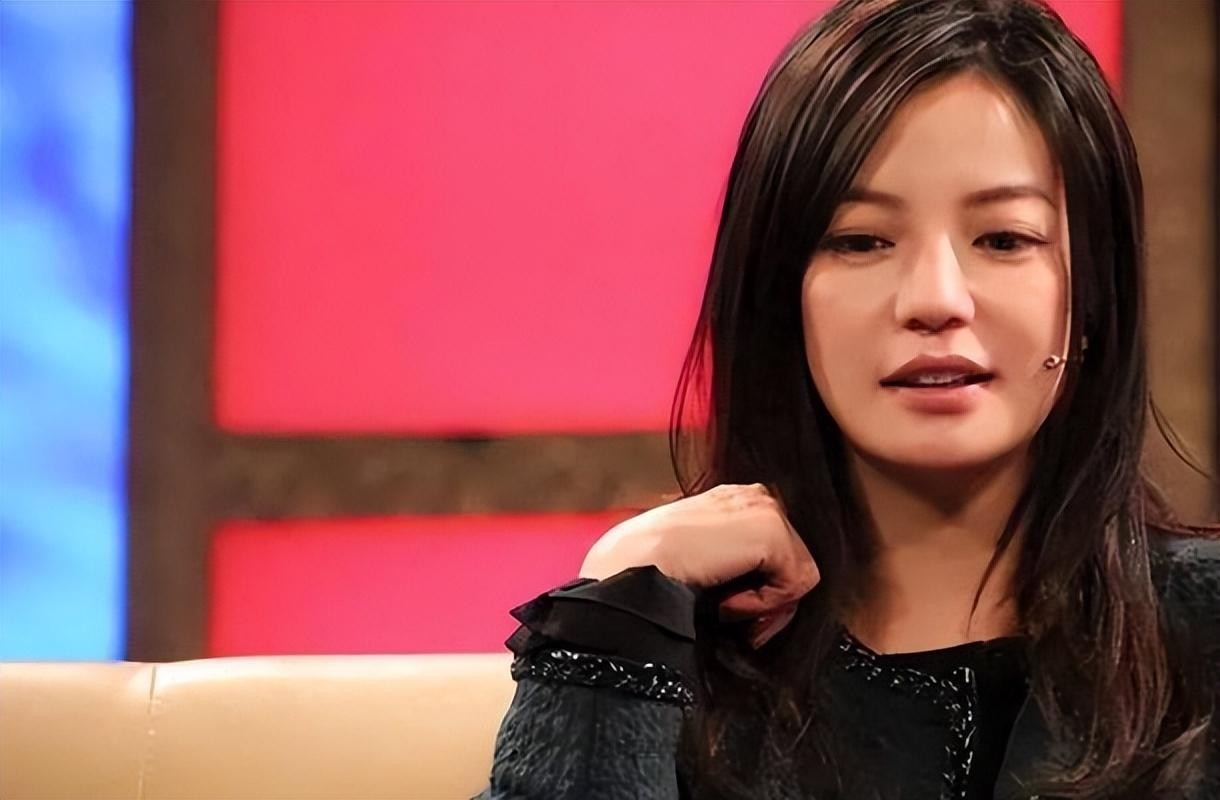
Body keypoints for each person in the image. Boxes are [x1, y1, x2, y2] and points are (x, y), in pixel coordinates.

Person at [473, 0, 1219, 797]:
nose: (935, 300)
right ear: (780, 296)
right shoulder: (663, 668)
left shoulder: (1200, 638)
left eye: (1004, 240)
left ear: (1094, 295)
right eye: (861, 241)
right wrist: (616, 610)